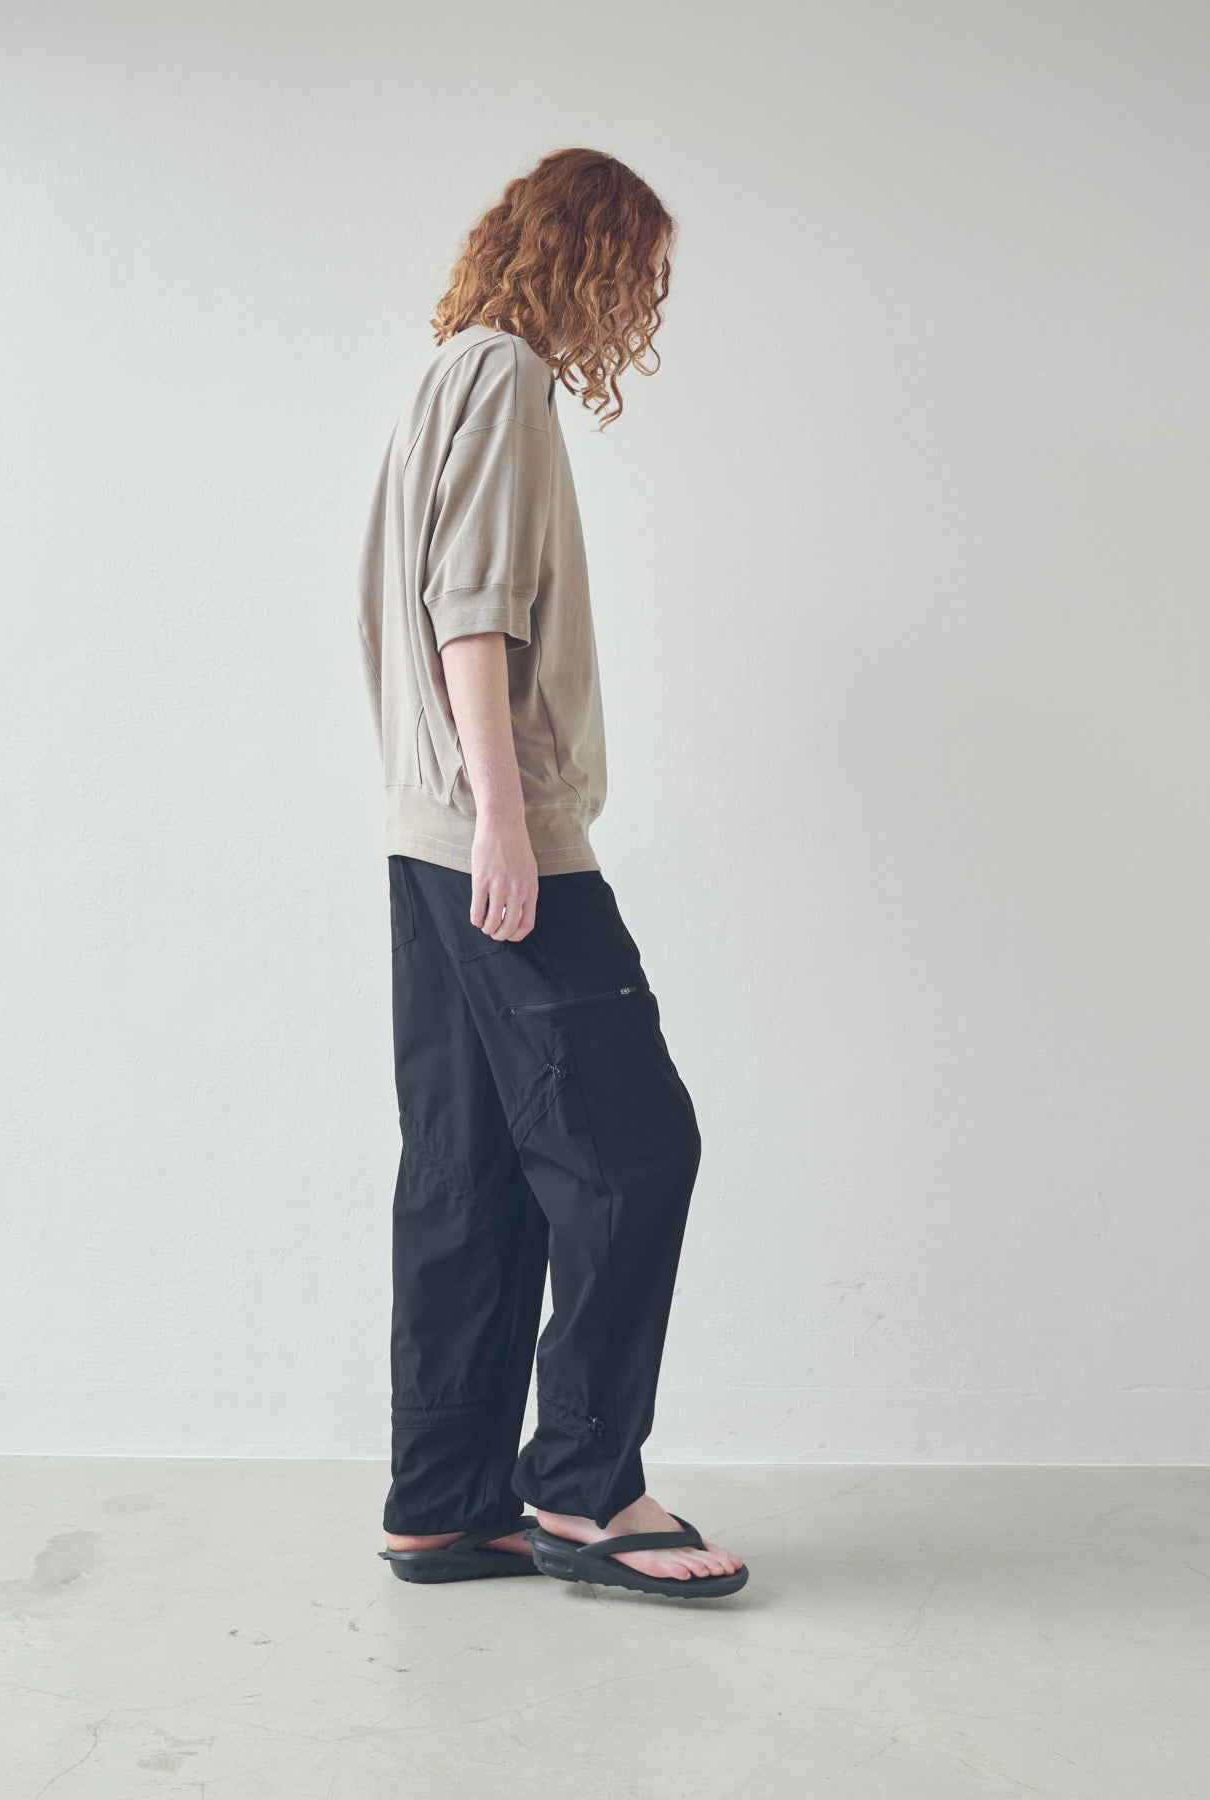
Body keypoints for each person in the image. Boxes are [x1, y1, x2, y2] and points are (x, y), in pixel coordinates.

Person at [355, 148, 747, 1599]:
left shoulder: (442, 373)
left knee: (469, 1172)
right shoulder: (507, 375)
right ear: (585, 254)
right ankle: (586, 1490)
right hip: (491, 834)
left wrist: (466, 817)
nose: (636, 302)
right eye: (635, 270)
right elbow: (470, 609)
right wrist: (508, 821)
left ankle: (443, 1503)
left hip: (422, 834)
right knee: (637, 1145)